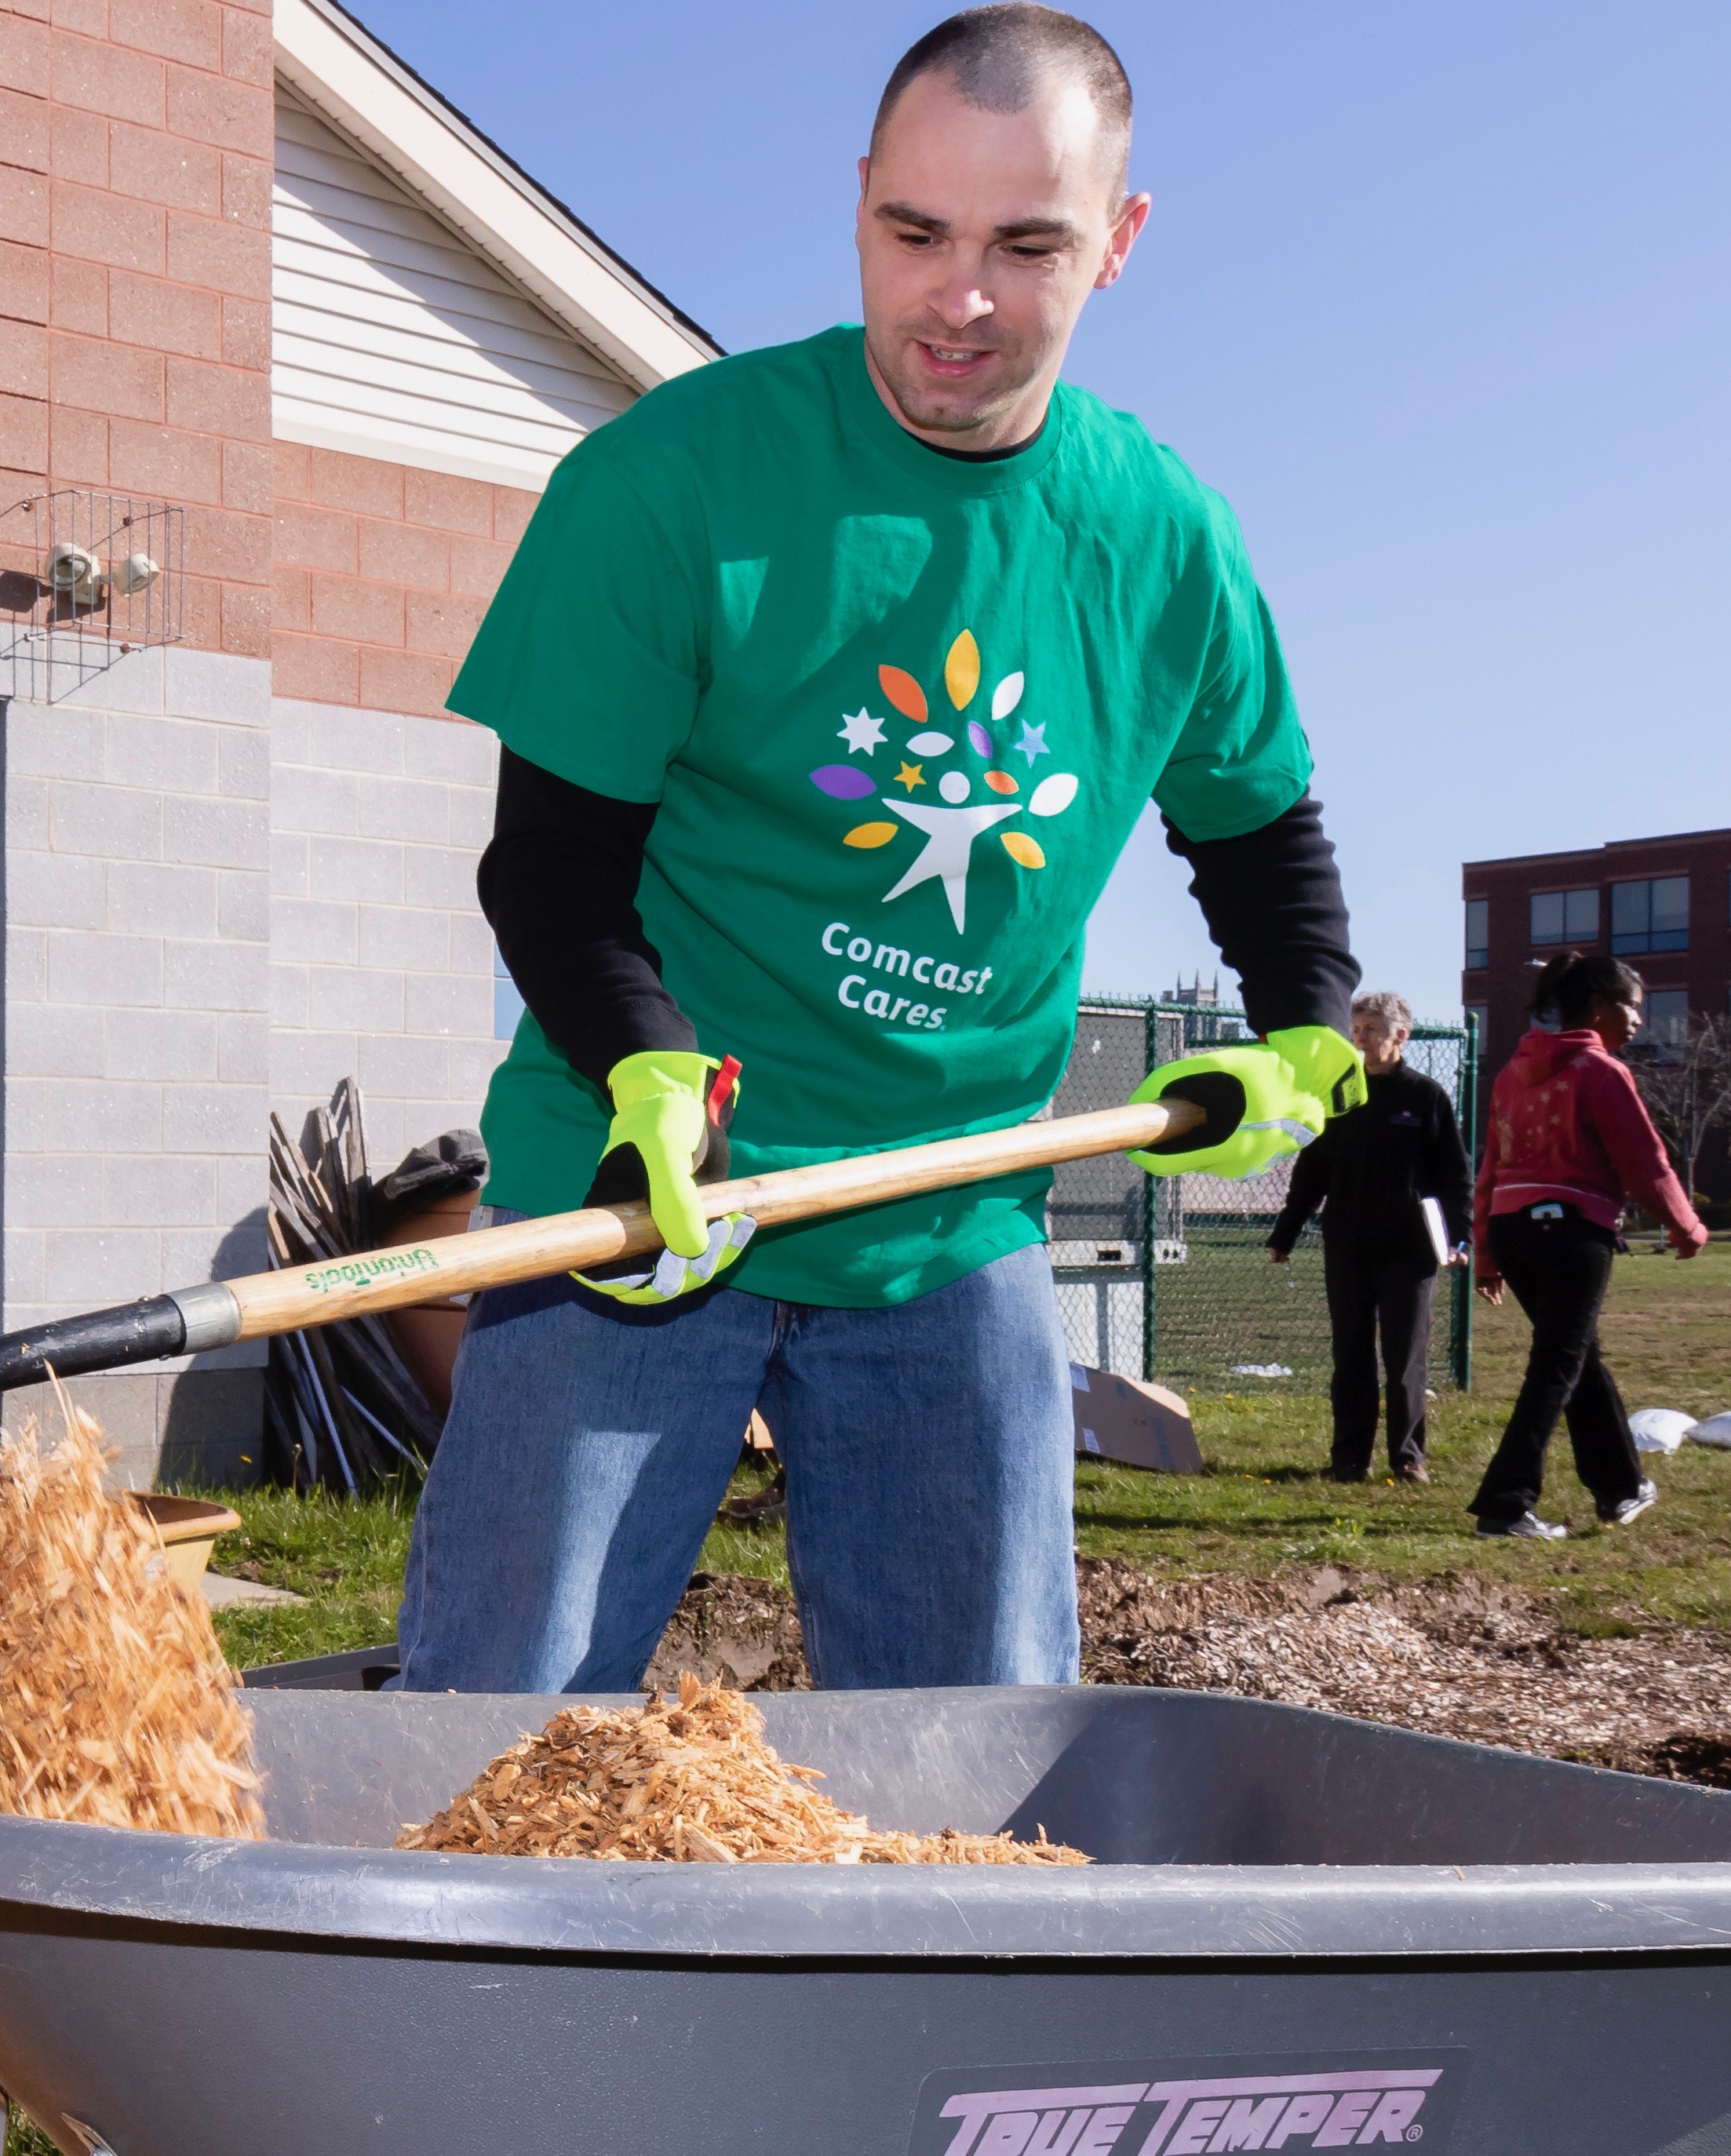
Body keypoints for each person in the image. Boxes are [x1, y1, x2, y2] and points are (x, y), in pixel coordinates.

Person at [395, 4, 1365, 1697]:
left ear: (1120, 244)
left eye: (1026, 245)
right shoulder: (670, 486)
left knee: (976, 1743)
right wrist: (641, 1076)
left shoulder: (1160, 540)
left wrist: (1301, 1022)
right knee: (500, 1719)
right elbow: (548, 869)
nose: (958, 299)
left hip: (944, 1208)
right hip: (638, 1192)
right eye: (914, 233)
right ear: (856, 199)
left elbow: (1258, 824)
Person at [1467, 951, 1705, 1540]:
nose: (1638, 1022)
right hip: (1573, 1231)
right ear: (1599, 1006)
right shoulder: (1601, 1072)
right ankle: (1505, 1503)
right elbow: (1644, 1159)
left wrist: (1487, 1251)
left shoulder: (1509, 1074)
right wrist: (1684, 1224)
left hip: (1513, 1230)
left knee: (1578, 1359)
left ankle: (1621, 1488)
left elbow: (1491, 1168)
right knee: (1557, 1366)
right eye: (1632, 1008)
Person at [1266, 991, 1470, 1483]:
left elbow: (1455, 1176)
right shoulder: (1340, 1096)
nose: (1359, 1041)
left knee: (1405, 1359)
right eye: (1355, 1031)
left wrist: (1461, 1239)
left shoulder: (1427, 1098)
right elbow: (1311, 1170)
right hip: (1348, 1246)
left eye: (1370, 1031)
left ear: (1400, 1036)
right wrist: (1287, 1232)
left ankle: (1407, 1459)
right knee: (1351, 1355)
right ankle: (1349, 1460)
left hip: (1410, 1250)